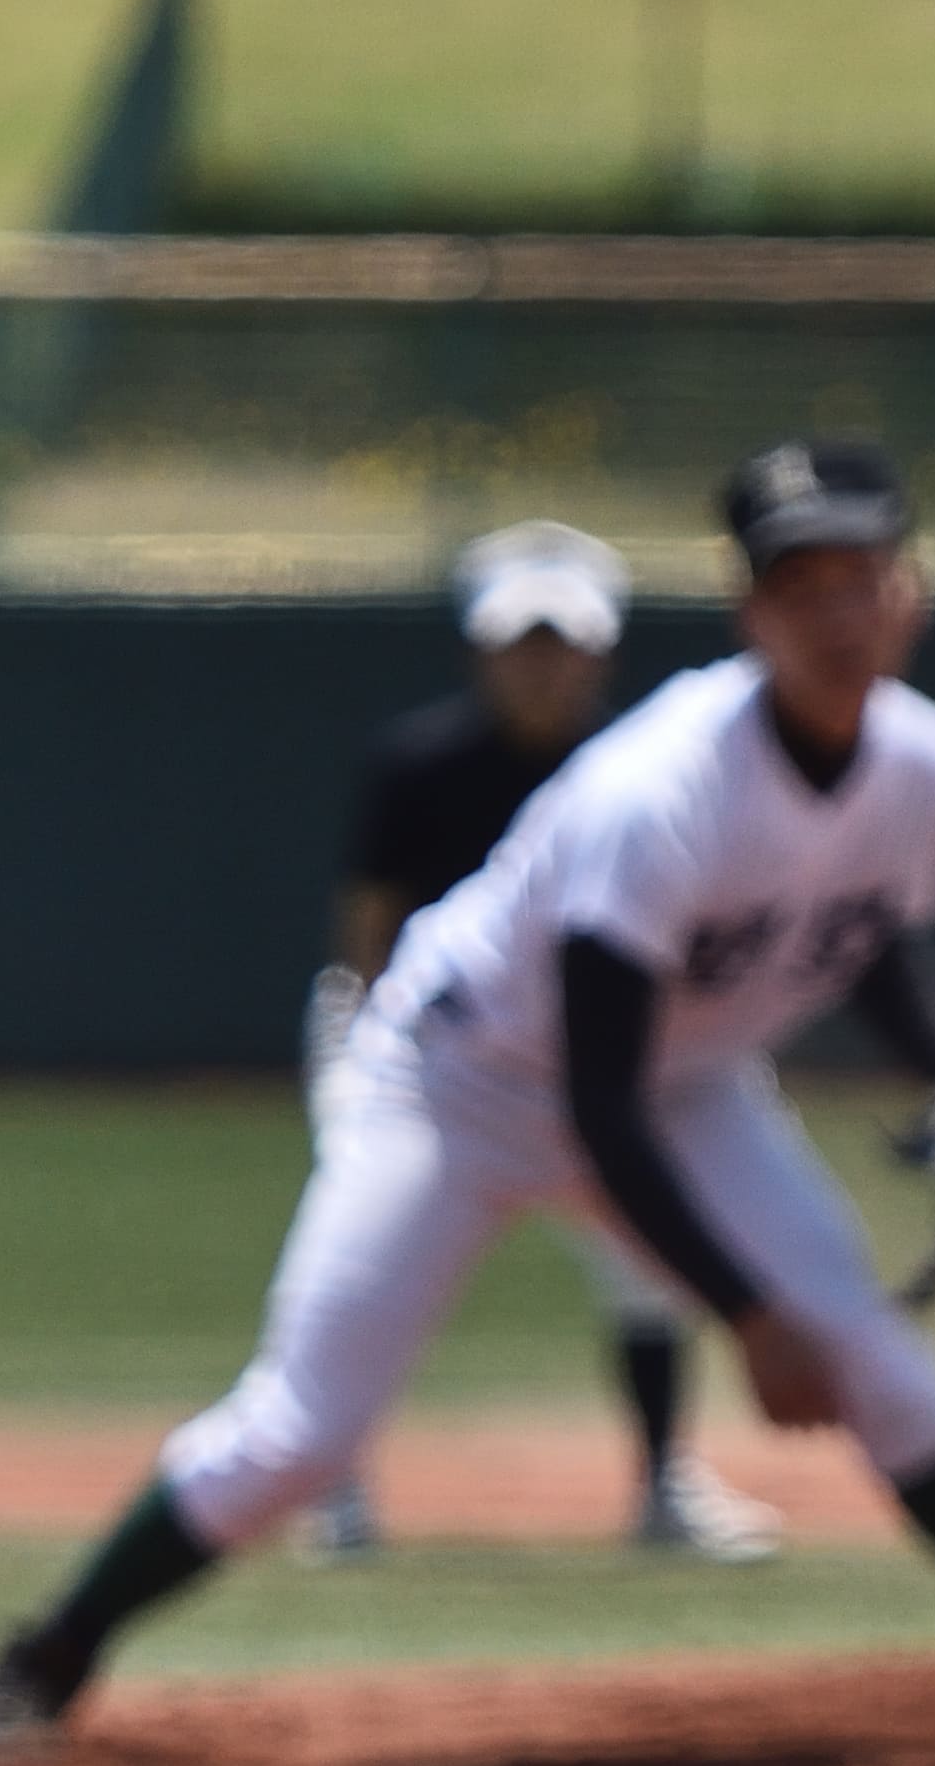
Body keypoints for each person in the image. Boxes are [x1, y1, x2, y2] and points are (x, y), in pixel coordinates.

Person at [0, 439, 935, 1763]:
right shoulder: (655, 796)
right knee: (304, 1433)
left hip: (687, 1086)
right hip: (458, 1084)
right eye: (800, 587)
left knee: (882, 1370)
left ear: (911, 591)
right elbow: (595, 1107)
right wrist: (751, 1319)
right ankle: (48, 1656)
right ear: (750, 612)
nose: (837, 613)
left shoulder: (926, 762)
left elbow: (868, 937)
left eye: (862, 578)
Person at [299, 520, 785, 1567]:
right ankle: (326, 1476)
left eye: (562, 644)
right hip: (420, 1039)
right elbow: (370, 936)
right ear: (484, 649)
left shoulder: (640, 773)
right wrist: (373, 1068)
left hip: (597, 1048)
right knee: (365, 1260)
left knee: (650, 1258)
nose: (542, 666)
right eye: (522, 643)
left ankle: (662, 1481)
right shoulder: (420, 765)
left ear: (599, 651)